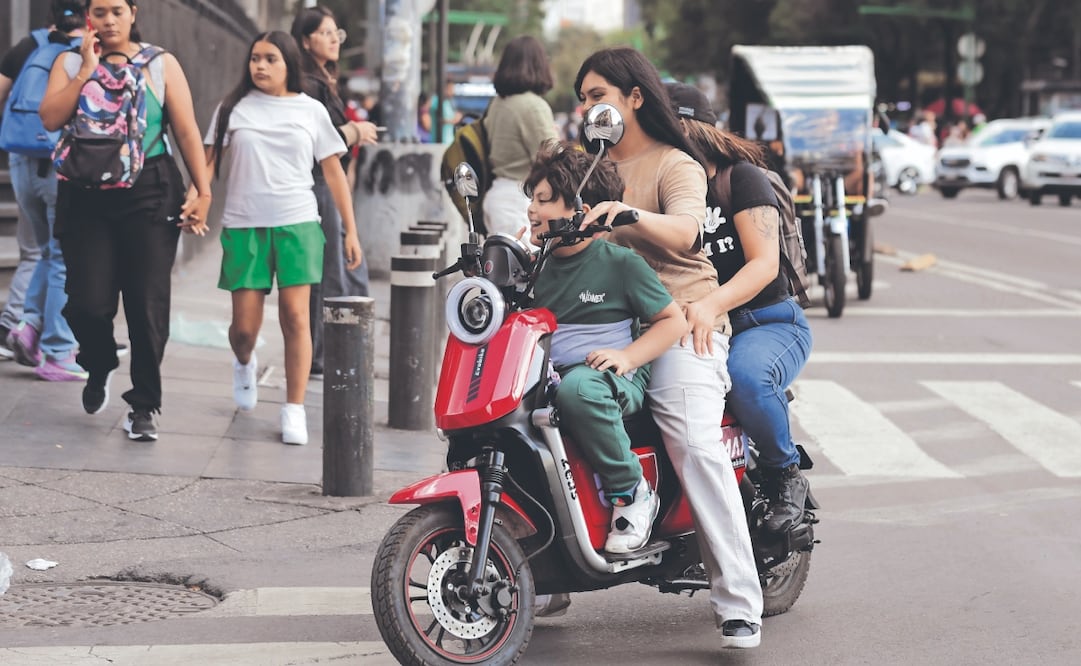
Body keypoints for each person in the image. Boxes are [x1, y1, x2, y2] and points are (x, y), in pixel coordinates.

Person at [573, 47, 763, 649]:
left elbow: (685, 230)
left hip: (680, 318)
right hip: (601, 321)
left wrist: (625, 213)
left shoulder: (674, 164)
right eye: (582, 99)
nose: (589, 108)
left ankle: (738, 600)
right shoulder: (586, 168)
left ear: (634, 97)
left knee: (693, 442)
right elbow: (552, 220)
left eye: (599, 95)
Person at [39, 0, 212, 441]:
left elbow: (187, 130)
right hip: (84, 194)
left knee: (146, 302)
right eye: (100, 11)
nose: (109, 20)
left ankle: (144, 405)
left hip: (150, 190)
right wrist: (85, 70)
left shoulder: (160, 64)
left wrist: (204, 189)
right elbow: (51, 118)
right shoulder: (70, 60)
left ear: (134, 12)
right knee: (87, 302)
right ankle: (98, 363)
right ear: (88, 17)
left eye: (117, 10)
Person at [524, 140, 686, 553]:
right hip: (552, 375)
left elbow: (672, 321)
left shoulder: (620, 264)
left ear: (583, 210)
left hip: (613, 378)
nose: (532, 210)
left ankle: (631, 491)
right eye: (532, 199)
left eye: (544, 200)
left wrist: (627, 356)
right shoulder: (534, 266)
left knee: (580, 388)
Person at [666, 82, 814, 535]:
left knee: (747, 379)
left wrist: (710, 305)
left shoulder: (740, 178)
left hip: (765, 323)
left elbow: (764, 266)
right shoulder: (664, 187)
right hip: (687, 326)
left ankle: (784, 476)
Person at [204, 30, 361, 446]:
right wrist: (196, 197)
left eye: (270, 58)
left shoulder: (310, 111)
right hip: (244, 226)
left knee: (296, 317)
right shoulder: (232, 108)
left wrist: (350, 230)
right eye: (255, 58)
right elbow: (207, 163)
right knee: (244, 329)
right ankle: (244, 361)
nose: (259, 66)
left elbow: (333, 174)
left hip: (298, 223)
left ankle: (294, 408)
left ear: (288, 64)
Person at [0, 1, 86, 380]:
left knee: (40, 252)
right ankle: (57, 349)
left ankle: (27, 324)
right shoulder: (85, 53)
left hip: (20, 160)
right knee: (63, 256)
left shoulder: (28, 46)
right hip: (59, 162)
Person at [291, 5, 378, 378]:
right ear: (306, 40)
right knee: (333, 274)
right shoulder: (308, 84)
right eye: (325, 33)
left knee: (346, 270)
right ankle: (324, 355)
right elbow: (314, 143)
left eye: (335, 33)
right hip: (319, 186)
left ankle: (339, 352)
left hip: (329, 186)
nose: (333, 39)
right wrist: (354, 132)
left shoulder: (322, 79)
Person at [482, 35, 558, 242]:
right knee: (526, 269)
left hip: (497, 195)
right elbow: (554, 157)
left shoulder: (497, 103)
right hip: (519, 200)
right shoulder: (533, 105)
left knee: (503, 268)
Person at [430, 80, 461, 144]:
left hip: (449, 140)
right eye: (450, 89)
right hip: (439, 140)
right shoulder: (435, 100)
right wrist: (452, 121)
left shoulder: (448, 102)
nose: (452, 92)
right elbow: (438, 119)